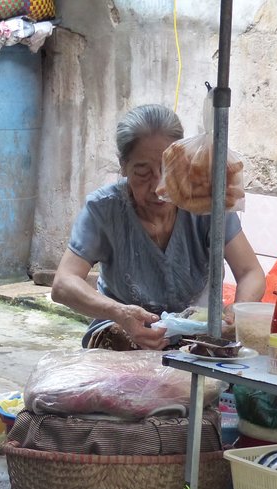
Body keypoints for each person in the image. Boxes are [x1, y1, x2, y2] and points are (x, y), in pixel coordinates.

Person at [51, 103, 265, 350]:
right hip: (127, 334)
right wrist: (119, 312)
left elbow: (251, 272)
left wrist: (236, 312)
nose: (156, 187)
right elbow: (63, 284)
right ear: (123, 166)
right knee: (120, 344)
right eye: (142, 172)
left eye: (167, 170)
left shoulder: (206, 203)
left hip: (198, 335)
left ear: (182, 161)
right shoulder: (104, 209)